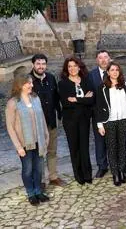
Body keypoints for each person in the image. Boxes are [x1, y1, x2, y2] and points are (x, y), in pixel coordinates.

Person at [5, 75, 50, 205]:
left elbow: (42, 119)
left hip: (39, 141)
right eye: (27, 83)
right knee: (28, 169)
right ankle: (31, 193)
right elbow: (10, 127)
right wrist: (18, 147)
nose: (31, 85)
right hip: (24, 143)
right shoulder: (13, 103)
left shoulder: (35, 98)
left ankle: (38, 191)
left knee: (39, 168)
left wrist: (46, 136)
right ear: (19, 85)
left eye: (31, 83)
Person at [29, 54, 65, 187]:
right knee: (39, 153)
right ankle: (41, 180)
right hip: (36, 124)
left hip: (51, 121)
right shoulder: (29, 80)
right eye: (38, 64)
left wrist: (59, 114)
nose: (41, 66)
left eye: (43, 64)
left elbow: (56, 98)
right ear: (33, 64)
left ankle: (53, 176)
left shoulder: (50, 78)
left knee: (52, 150)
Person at [58, 56, 94, 185]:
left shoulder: (86, 80)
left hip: (84, 119)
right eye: (69, 66)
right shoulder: (63, 83)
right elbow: (66, 103)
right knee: (74, 147)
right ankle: (78, 175)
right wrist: (84, 99)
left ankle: (87, 174)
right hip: (70, 121)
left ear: (79, 67)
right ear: (66, 69)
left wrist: (77, 99)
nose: (72, 68)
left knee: (84, 146)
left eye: (75, 66)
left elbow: (92, 99)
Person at [94, 62, 126, 186]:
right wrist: (100, 125)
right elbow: (98, 107)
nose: (115, 72)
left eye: (117, 69)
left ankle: (121, 171)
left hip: (124, 119)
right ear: (108, 72)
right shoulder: (102, 87)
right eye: (112, 70)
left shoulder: (125, 85)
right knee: (111, 147)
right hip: (109, 121)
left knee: (122, 146)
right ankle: (115, 173)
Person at [88, 50, 110, 178]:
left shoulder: (115, 72)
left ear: (109, 59)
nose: (103, 60)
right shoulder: (91, 75)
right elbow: (90, 94)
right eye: (100, 58)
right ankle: (102, 166)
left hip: (114, 113)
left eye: (105, 57)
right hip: (98, 114)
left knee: (116, 140)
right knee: (99, 141)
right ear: (97, 60)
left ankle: (121, 164)